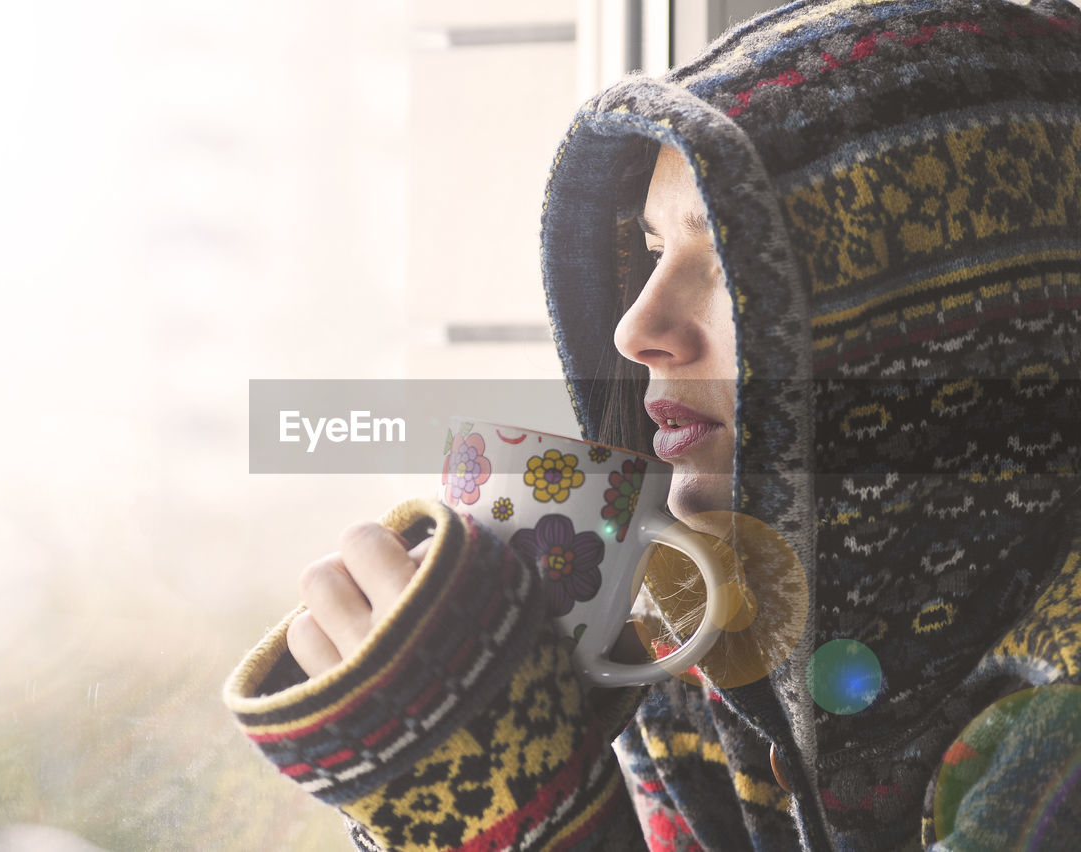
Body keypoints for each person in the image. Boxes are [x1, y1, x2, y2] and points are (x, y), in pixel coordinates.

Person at [226, 0, 1081, 848]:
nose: (634, 330)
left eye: (726, 261)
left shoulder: (1060, 722)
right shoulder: (693, 659)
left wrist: (509, 812)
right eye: (651, 249)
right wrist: (503, 722)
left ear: (925, 321)